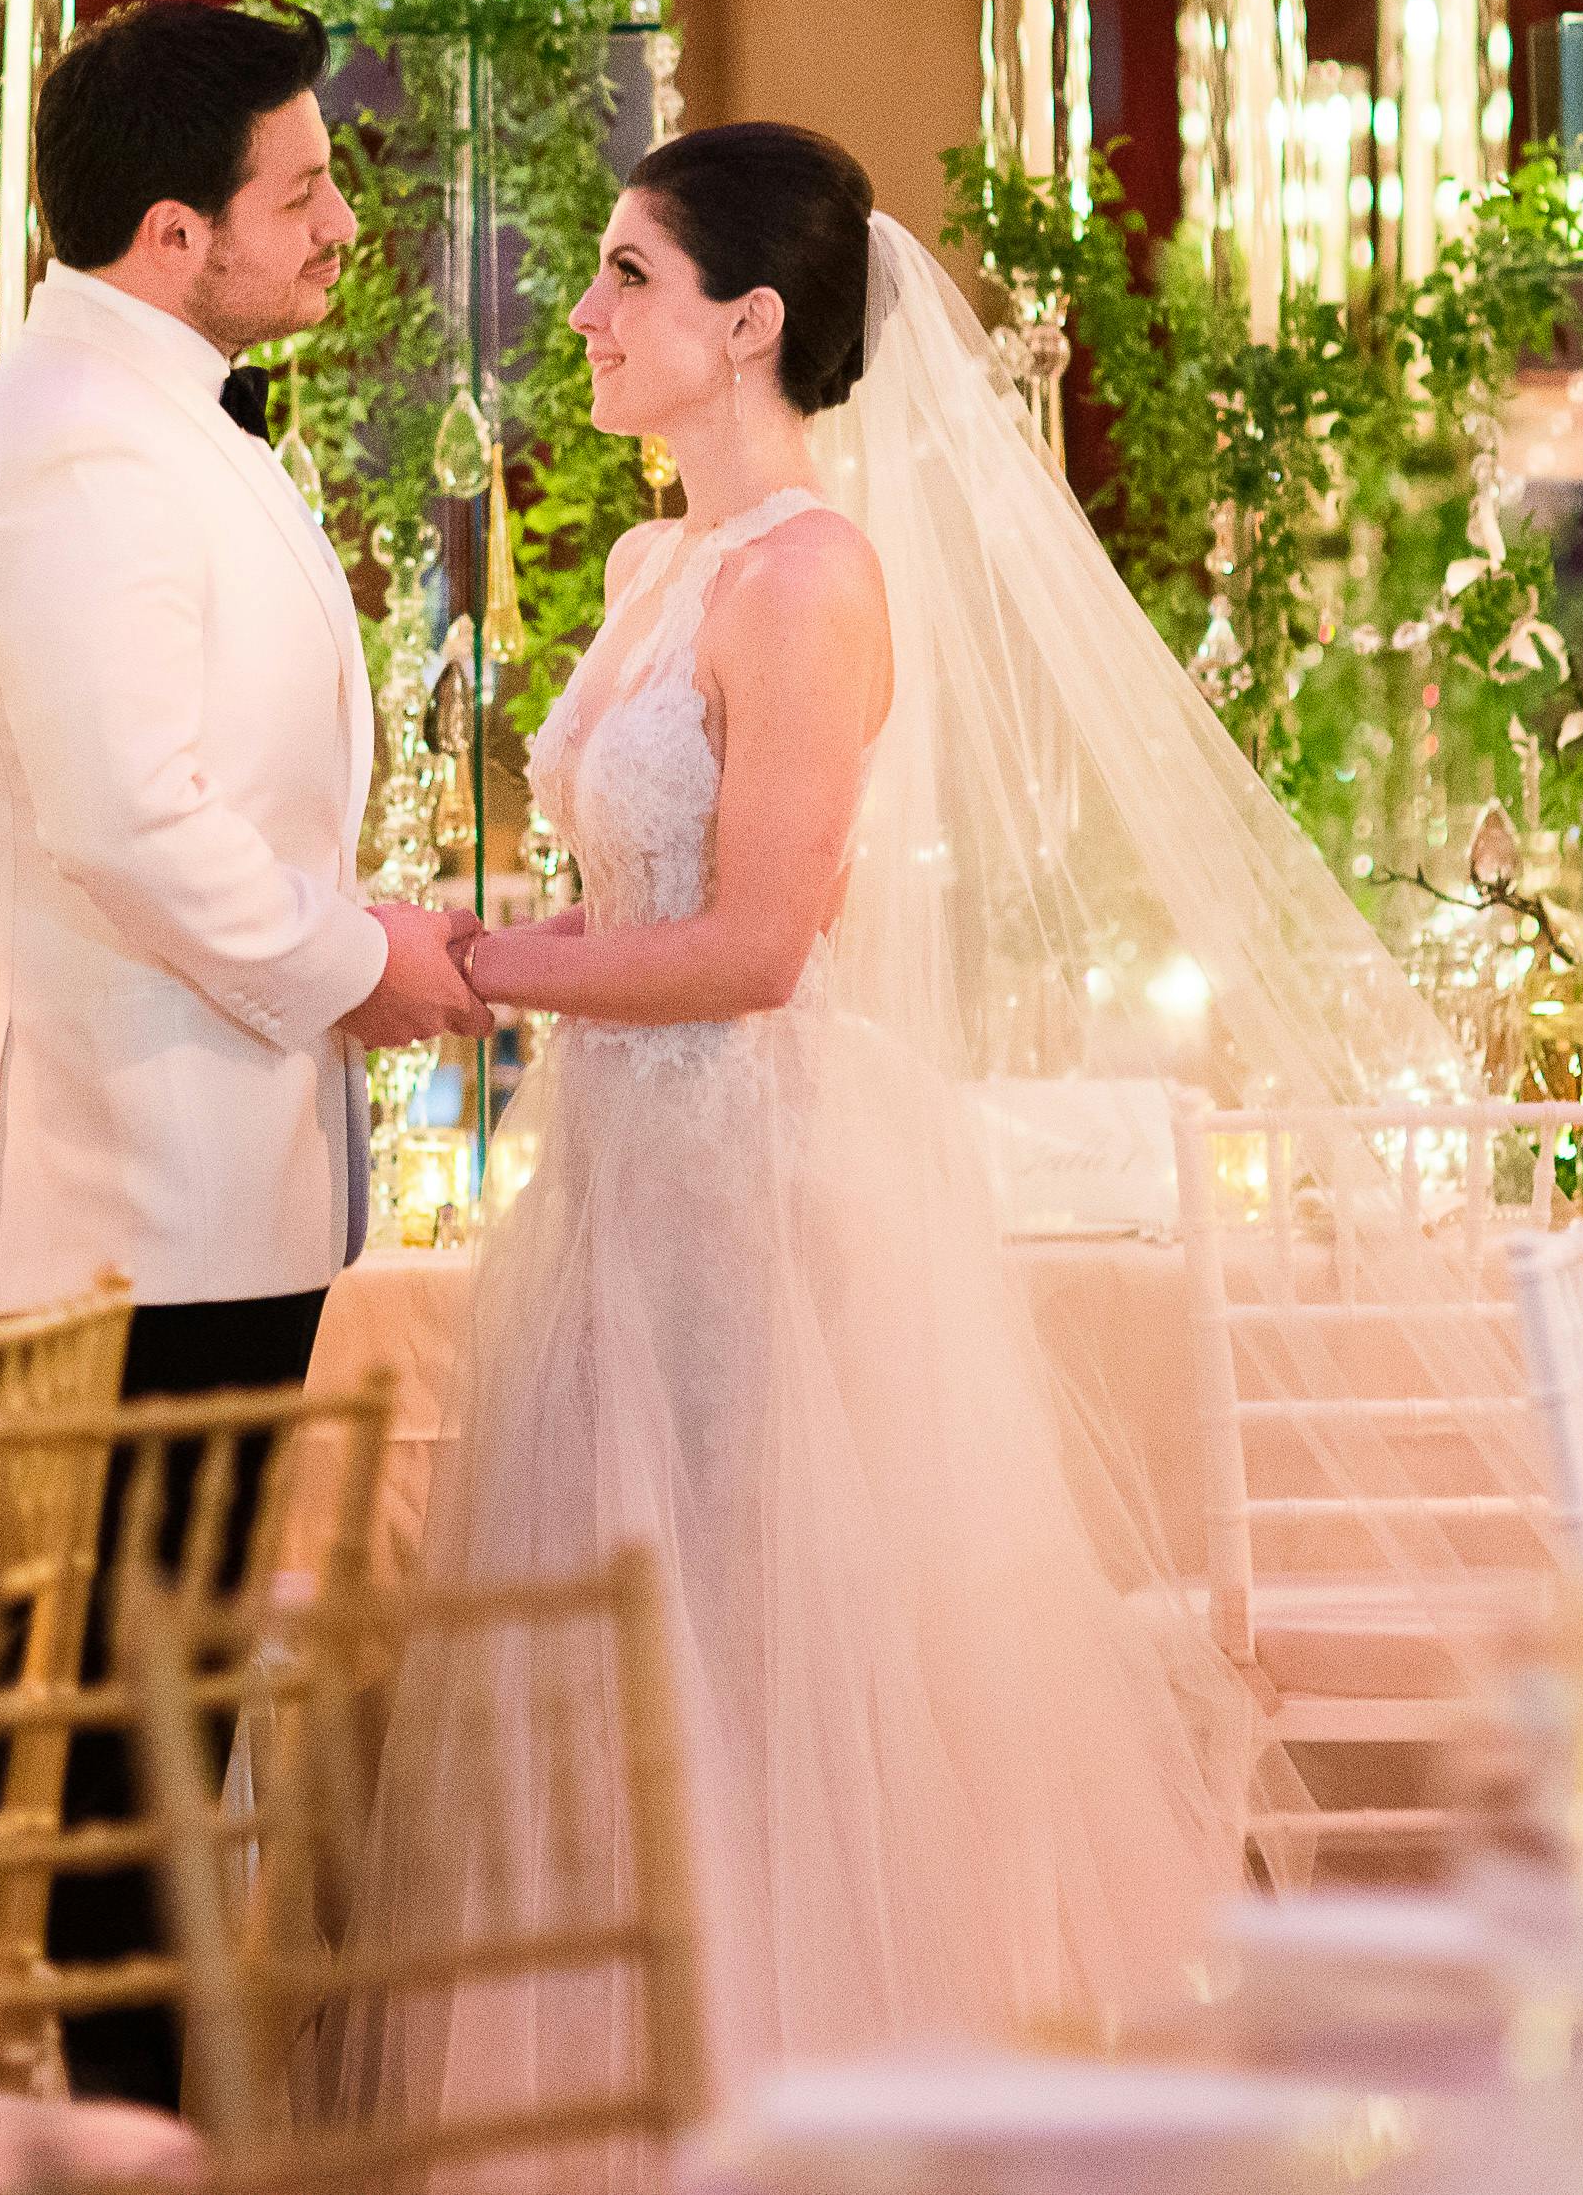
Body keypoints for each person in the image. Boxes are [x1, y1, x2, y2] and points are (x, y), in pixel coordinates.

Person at [381, 120, 1450, 2103]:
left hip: (742, 1184)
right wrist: (508, 945)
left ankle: (792, 2100)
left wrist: (468, 966)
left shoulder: (809, 576)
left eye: (631, 276)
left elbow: (758, 943)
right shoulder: (651, 558)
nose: (590, 317)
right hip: (615, 1176)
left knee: (748, 1650)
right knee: (620, 1664)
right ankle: (625, 2097)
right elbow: (639, 897)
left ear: (752, 322)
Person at [0, 0, 486, 2108]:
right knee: (113, 1745)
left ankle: (114, 2132)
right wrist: (357, 965)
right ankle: (105, 2142)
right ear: (170, 231)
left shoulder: (145, 417)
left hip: (196, 1193)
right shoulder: (82, 458)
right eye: (300, 189)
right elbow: (128, 820)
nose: (342, 220)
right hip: (121, 1205)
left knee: (150, 1709)